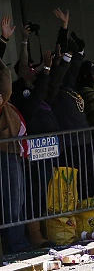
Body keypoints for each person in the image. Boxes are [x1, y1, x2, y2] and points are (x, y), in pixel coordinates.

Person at [0, 61, 29, 253]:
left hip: (10, 151)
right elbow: (6, 85)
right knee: (12, 202)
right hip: (5, 153)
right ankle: (15, 244)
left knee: (16, 200)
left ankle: (17, 242)